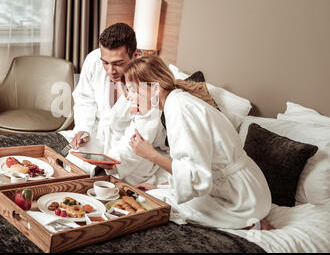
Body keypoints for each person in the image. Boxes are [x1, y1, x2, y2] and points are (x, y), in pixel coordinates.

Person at [123, 55, 273, 229]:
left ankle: (248, 223)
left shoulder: (180, 109)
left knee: (150, 201)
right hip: (245, 188)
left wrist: (151, 155)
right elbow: (195, 166)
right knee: (154, 193)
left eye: (133, 90)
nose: (129, 97)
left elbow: (194, 176)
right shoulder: (178, 102)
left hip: (241, 199)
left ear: (155, 89)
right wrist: (159, 186)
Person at [59, 23, 169, 185]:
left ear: (135, 55)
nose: (110, 70)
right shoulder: (93, 60)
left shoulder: (148, 84)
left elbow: (141, 134)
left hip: (131, 152)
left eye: (118, 63)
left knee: (110, 183)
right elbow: (84, 99)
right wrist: (84, 128)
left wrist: (108, 166)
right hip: (99, 135)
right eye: (105, 62)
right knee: (71, 168)